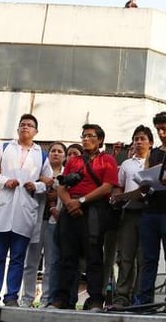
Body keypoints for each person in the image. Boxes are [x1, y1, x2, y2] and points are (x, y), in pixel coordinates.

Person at [0, 114, 52, 307]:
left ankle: (11, 296)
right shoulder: (4, 147)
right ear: (18, 129)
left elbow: (48, 182)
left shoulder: (41, 154)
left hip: (24, 211)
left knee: (18, 258)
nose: (25, 128)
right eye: (22, 125)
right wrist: (5, 181)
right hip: (2, 209)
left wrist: (35, 186)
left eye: (30, 125)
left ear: (36, 131)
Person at [49, 124, 117, 311]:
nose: (85, 139)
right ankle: (61, 298)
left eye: (90, 136)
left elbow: (107, 187)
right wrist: (70, 202)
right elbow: (62, 185)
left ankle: (95, 299)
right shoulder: (73, 161)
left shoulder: (108, 160)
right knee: (67, 256)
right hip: (71, 211)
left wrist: (82, 201)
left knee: (94, 256)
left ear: (100, 140)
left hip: (94, 211)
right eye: (83, 136)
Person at [136, 111, 166, 305]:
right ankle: (144, 301)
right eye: (158, 129)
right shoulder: (153, 153)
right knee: (148, 258)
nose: (161, 133)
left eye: (164, 129)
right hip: (151, 210)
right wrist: (145, 185)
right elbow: (145, 178)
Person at [109, 125, 152, 308]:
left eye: (142, 138)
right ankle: (121, 297)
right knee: (125, 257)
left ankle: (141, 298)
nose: (139, 142)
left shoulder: (156, 160)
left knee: (145, 258)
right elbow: (118, 186)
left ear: (151, 142)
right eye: (136, 139)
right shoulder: (127, 164)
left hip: (149, 213)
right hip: (129, 212)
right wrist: (118, 197)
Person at [20, 141, 66, 307]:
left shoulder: (66, 174)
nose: (56, 153)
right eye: (53, 150)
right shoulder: (39, 171)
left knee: (51, 263)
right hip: (37, 220)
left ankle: (47, 299)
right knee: (30, 262)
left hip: (54, 222)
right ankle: (27, 298)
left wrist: (53, 184)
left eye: (60, 151)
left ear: (64, 156)